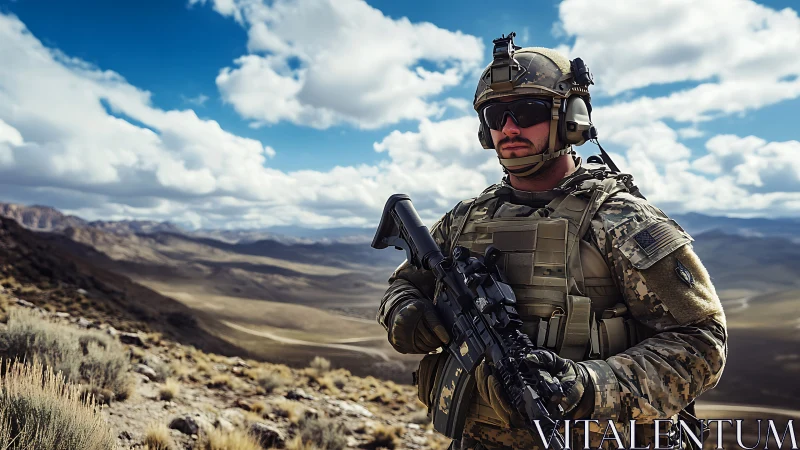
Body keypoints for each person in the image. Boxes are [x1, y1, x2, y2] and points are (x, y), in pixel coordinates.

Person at [377, 33, 727, 450]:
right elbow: (402, 285)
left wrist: (591, 387)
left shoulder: (619, 220)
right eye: (495, 115)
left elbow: (702, 341)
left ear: (570, 119)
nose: (508, 128)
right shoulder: (465, 218)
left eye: (526, 111)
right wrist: (406, 313)